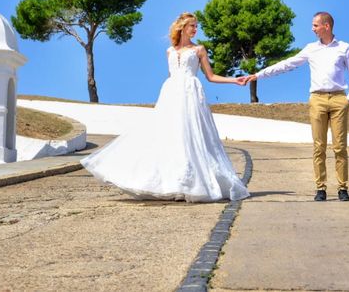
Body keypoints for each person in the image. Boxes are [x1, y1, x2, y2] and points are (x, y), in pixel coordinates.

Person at [81, 12, 250, 202]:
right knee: (168, 136)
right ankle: (169, 183)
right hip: (171, 94)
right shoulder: (169, 51)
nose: (195, 29)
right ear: (182, 28)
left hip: (191, 94)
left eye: (196, 26)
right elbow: (173, 75)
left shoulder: (199, 50)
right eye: (192, 26)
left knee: (191, 135)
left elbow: (211, 77)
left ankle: (190, 184)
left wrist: (234, 80)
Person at [243, 12, 349, 202]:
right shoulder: (310, 49)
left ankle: (342, 188)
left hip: (339, 99)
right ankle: (320, 188)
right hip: (317, 99)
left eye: (315, 25)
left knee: (340, 147)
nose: (312, 29)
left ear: (326, 26)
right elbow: (287, 64)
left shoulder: (345, 48)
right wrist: (258, 75)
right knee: (318, 146)